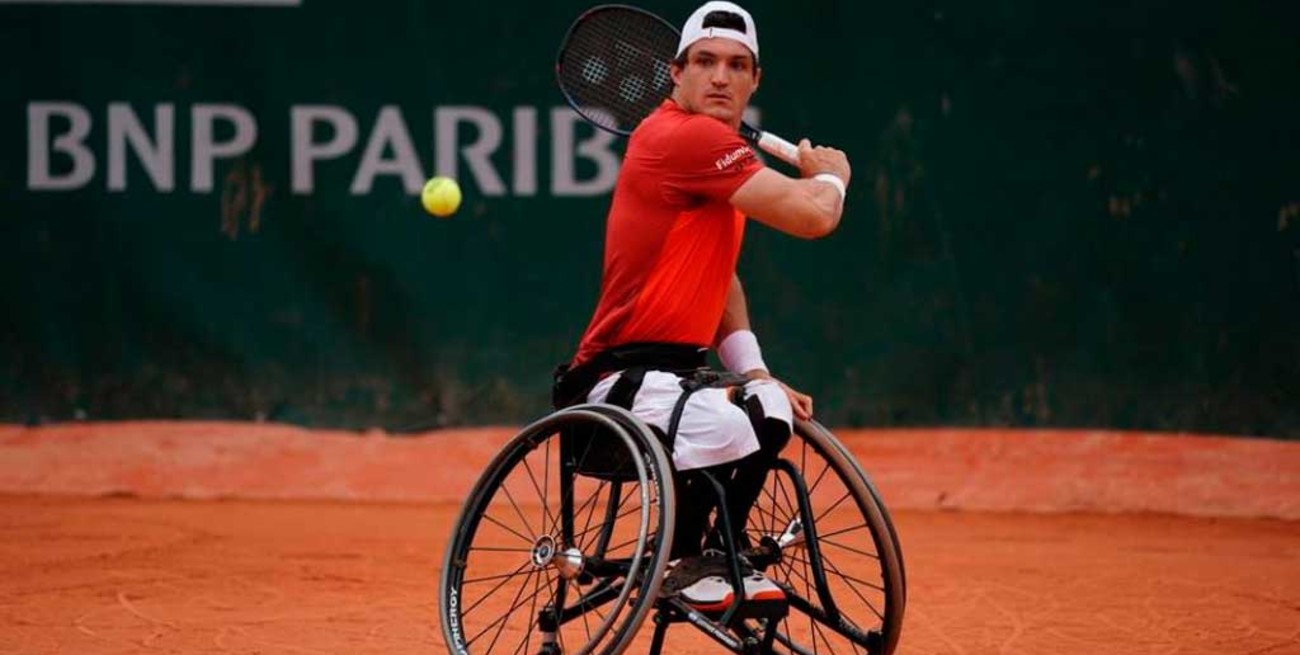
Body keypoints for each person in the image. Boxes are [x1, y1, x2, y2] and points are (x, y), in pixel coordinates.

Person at [552, 0, 851, 612]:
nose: (720, 77)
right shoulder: (683, 137)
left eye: (737, 65)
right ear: (675, 72)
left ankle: (715, 554)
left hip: (682, 377)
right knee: (724, 423)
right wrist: (831, 177)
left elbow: (721, 280)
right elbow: (814, 217)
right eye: (705, 61)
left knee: (769, 406)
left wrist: (755, 370)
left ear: (755, 79)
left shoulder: (715, 151)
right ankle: (687, 557)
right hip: (616, 378)